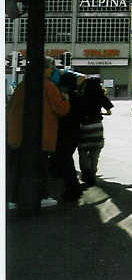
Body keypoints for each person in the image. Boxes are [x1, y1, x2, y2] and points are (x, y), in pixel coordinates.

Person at [6, 56, 71, 210]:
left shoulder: (23, 85)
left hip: (19, 136)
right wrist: (66, 99)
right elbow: (61, 109)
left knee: (20, 167)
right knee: (41, 167)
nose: (53, 71)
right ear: (44, 69)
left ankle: (14, 199)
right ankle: (41, 196)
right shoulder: (48, 86)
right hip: (41, 136)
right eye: (51, 68)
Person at [50, 71, 86, 202]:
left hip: (64, 133)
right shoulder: (78, 97)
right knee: (66, 159)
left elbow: (61, 112)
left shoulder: (65, 96)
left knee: (64, 159)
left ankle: (73, 189)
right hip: (75, 133)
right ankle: (72, 189)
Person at [77, 77, 113, 186]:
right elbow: (109, 111)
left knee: (83, 151)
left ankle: (85, 173)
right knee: (95, 152)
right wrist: (102, 114)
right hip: (97, 126)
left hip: (83, 126)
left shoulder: (80, 96)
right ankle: (92, 174)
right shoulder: (101, 95)